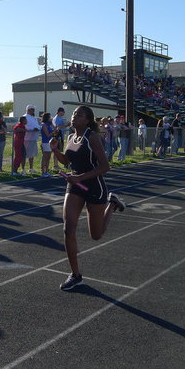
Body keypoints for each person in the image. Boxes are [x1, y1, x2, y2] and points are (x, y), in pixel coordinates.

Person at [49, 105, 125, 291]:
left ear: (88, 119)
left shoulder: (92, 137)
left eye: (79, 115)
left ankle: (112, 204)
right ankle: (75, 275)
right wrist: (55, 150)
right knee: (68, 228)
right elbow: (67, 162)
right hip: (74, 185)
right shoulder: (70, 137)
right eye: (74, 114)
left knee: (96, 235)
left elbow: (105, 166)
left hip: (93, 185)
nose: (74, 117)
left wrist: (81, 178)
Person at [23, 105, 41, 174]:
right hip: (27, 138)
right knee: (25, 154)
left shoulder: (33, 118)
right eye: (32, 109)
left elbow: (37, 126)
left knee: (32, 154)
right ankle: (23, 169)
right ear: (28, 110)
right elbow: (24, 126)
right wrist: (32, 129)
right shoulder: (25, 117)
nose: (33, 111)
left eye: (33, 109)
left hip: (33, 138)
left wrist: (38, 128)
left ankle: (31, 168)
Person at [40, 112, 55, 177]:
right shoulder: (44, 125)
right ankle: (43, 171)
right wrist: (53, 132)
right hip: (45, 142)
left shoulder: (49, 125)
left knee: (48, 157)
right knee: (45, 157)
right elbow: (48, 134)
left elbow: (53, 130)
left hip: (50, 142)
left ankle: (47, 171)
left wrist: (53, 128)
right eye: (49, 117)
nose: (50, 118)